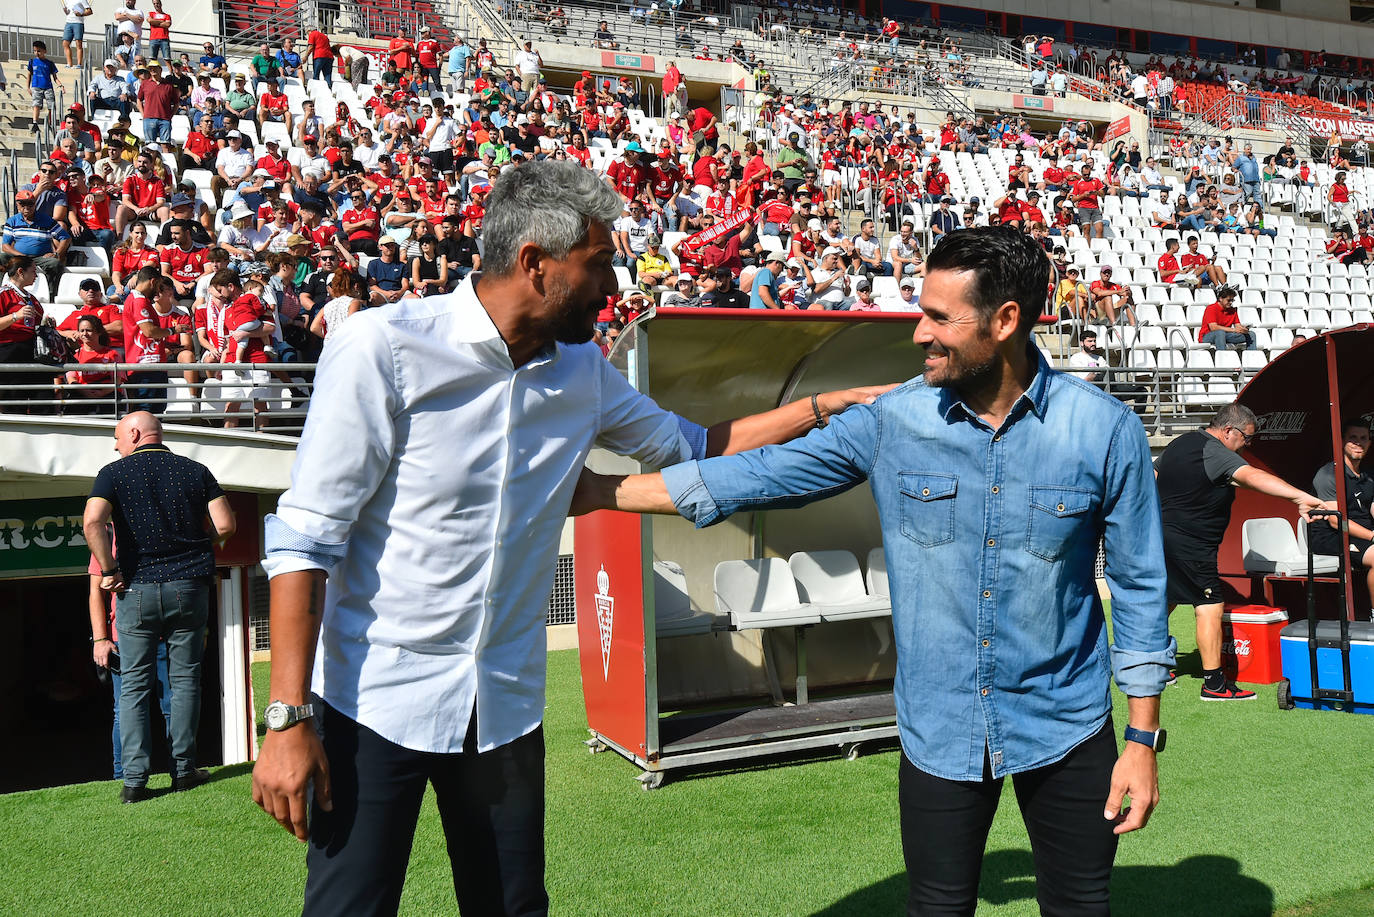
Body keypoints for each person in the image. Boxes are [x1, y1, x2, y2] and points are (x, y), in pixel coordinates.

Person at [249, 160, 885, 914]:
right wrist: (287, 716)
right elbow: (306, 539)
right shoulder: (382, 347)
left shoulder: (582, 371)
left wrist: (821, 406)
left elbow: (694, 446)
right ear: (534, 264)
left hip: (506, 705)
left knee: (516, 908)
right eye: (600, 263)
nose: (613, 284)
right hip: (372, 697)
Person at [576, 226, 1176, 915]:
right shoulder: (893, 421)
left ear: (1006, 320)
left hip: (1068, 724)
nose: (920, 333)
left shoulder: (1105, 431)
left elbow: (1138, 588)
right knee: (938, 906)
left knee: (1080, 905)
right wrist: (605, 493)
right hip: (938, 726)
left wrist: (1140, 739)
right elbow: (756, 477)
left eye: (939, 317)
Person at [83, 412, 237, 802]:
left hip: (135, 590)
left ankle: (134, 782)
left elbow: (92, 522)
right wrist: (200, 550)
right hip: (189, 586)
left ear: (134, 433)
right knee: (185, 680)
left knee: (133, 685)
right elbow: (226, 525)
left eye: (118, 437)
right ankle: (184, 771)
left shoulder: (112, 473)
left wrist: (110, 569)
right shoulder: (195, 470)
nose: (116, 445)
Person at [1156, 403, 1326, 702]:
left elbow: (1155, 476)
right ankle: (1214, 684)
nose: (1248, 445)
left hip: (1163, 537)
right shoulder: (1216, 450)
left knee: (1167, 600)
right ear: (1228, 431)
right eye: (1246, 438)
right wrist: (1300, 496)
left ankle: (1154, 666)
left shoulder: (1181, 443)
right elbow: (1252, 477)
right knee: (1209, 606)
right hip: (1193, 544)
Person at [1308, 418, 1374, 605]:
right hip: (1331, 537)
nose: (1358, 443)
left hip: (1362, 536)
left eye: (1363, 438)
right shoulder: (1328, 475)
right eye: (1353, 438)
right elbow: (1336, 521)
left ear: (1369, 442)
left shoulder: (1369, 476)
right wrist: (1371, 536)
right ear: (1342, 440)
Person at [1198, 286, 1255, 351]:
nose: (1231, 302)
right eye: (1228, 300)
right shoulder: (1211, 308)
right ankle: (1222, 357)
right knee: (1220, 333)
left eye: (1232, 300)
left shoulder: (1233, 310)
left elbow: (1238, 325)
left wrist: (1243, 329)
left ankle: (1252, 356)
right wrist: (1234, 330)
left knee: (1251, 334)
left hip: (1226, 335)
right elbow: (1213, 327)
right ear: (1220, 299)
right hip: (1207, 336)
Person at [27, 40, 61, 134]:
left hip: (47, 86)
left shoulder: (49, 63)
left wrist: (60, 85)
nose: (37, 53)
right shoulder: (32, 62)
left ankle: (51, 122)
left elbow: (55, 77)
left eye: (39, 51)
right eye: (35, 51)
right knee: (36, 104)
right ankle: (35, 123)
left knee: (51, 105)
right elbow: (29, 75)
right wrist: (28, 87)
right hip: (36, 86)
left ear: (44, 51)